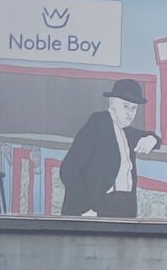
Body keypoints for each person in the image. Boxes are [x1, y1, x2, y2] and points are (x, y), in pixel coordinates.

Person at [59, 78, 154, 219]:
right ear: (112, 103)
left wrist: (152, 139)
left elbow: (148, 136)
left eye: (134, 108)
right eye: (126, 106)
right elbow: (68, 170)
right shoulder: (98, 124)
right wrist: (85, 209)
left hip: (124, 206)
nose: (130, 112)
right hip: (98, 206)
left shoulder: (127, 131)